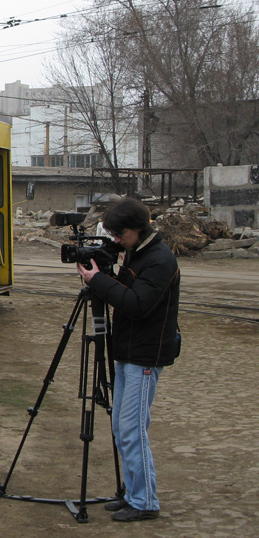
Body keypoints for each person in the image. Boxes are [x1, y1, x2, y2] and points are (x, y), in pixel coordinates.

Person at [76, 197, 180, 522]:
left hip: (144, 356)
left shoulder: (159, 260)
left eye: (119, 234)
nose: (116, 240)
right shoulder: (139, 253)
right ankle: (132, 493)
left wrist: (99, 281)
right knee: (122, 428)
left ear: (137, 229)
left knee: (133, 430)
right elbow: (127, 293)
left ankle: (145, 501)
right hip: (129, 352)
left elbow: (136, 304)